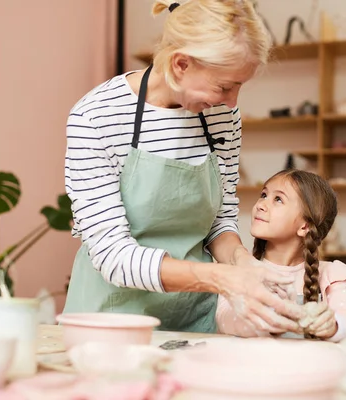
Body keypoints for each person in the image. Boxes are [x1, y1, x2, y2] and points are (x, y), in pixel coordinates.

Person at [62, 0, 303, 334]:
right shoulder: (96, 117)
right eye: (224, 86)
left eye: (239, 86)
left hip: (193, 316)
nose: (233, 102)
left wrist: (243, 264)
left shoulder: (221, 116)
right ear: (180, 65)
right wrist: (222, 278)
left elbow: (220, 219)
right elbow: (114, 257)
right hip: (114, 319)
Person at [216, 169, 346, 341]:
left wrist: (334, 327)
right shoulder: (238, 267)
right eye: (264, 195)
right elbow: (223, 319)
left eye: (278, 199)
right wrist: (267, 320)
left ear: (305, 227)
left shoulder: (328, 275)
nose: (260, 204)